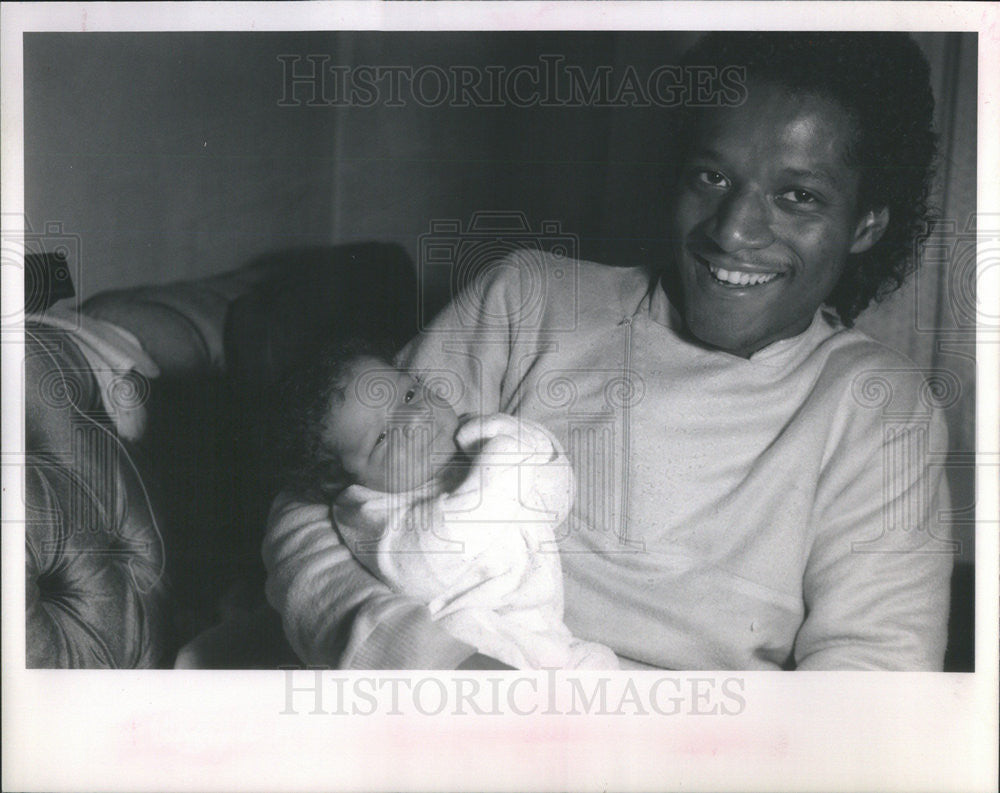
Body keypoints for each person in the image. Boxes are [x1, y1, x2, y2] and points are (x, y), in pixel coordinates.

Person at [263, 32, 953, 670]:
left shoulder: (877, 408)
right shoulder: (528, 298)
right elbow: (314, 509)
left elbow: (874, 686)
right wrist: (446, 676)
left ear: (866, 224)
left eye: (798, 196)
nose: (735, 230)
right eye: (712, 177)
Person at [271, 340, 618, 669]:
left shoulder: (479, 441)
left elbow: (554, 504)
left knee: (599, 669)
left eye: (409, 394)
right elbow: (428, 566)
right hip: (475, 638)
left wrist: (529, 444)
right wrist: (503, 464)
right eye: (382, 437)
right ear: (341, 478)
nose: (414, 419)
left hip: (545, 631)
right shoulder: (370, 510)